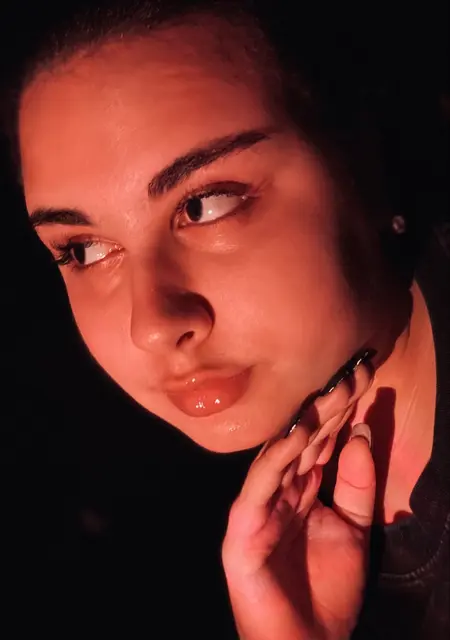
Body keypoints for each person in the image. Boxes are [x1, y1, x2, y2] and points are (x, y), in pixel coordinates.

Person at [2, 0, 449, 637]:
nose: (152, 324)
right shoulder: (207, 525)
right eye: (84, 250)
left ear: (367, 166)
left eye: (206, 204)